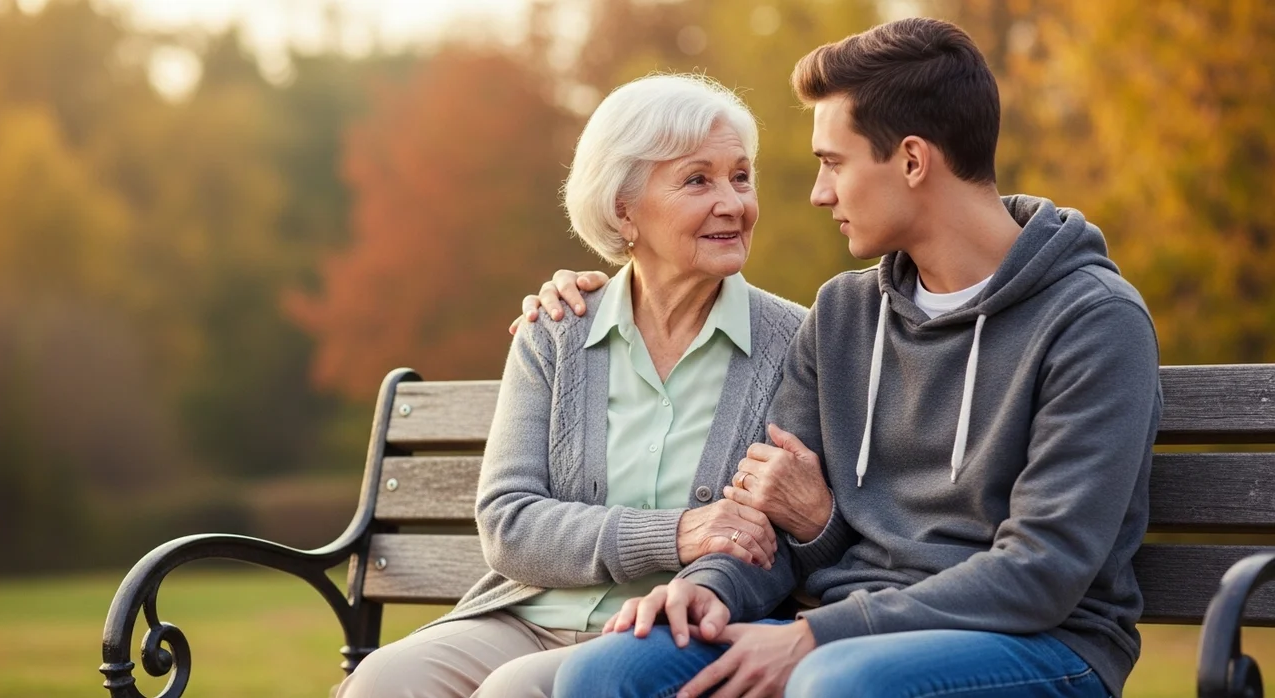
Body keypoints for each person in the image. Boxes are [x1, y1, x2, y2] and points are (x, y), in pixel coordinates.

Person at [529, 17, 1162, 698]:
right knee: (609, 672)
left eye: (834, 162)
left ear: (913, 161)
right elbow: (770, 526)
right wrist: (707, 589)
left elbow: (1039, 574)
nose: (818, 193)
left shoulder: (1093, 320)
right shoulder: (843, 315)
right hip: (847, 637)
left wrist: (818, 636)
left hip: (1039, 646)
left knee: (837, 685)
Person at [334, 73, 818, 698]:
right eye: (698, 179)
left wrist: (700, 571)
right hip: (528, 614)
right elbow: (508, 523)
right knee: (384, 679)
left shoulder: (793, 342)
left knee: (516, 691)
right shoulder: (558, 330)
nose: (733, 202)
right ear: (624, 207)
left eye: (741, 176)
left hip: (668, 627)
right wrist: (676, 532)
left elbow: (774, 541)